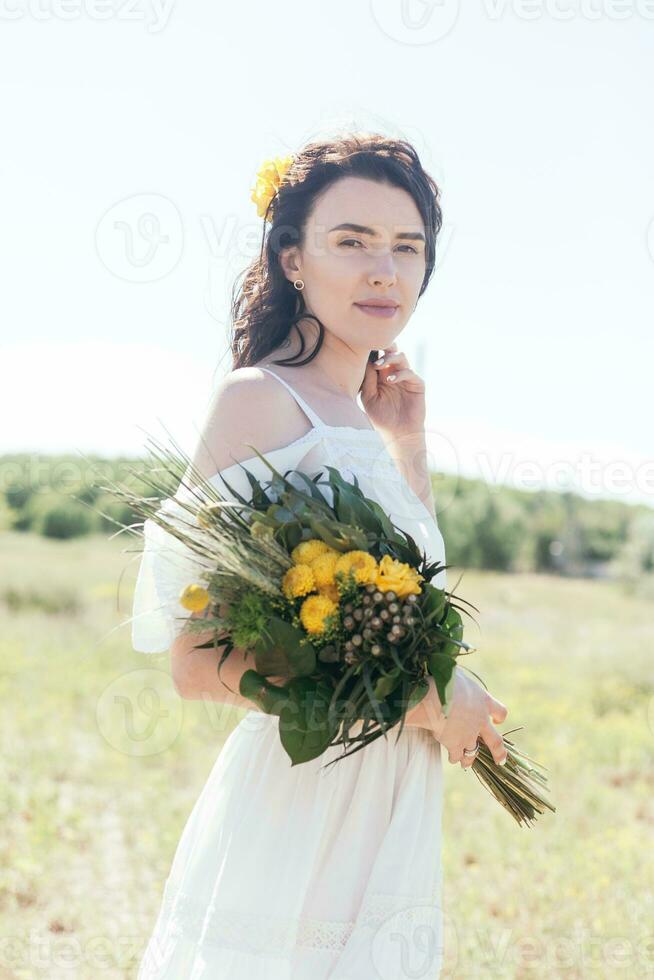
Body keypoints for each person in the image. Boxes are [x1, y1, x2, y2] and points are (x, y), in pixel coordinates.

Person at [131, 132, 509, 979]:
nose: (385, 271)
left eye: (407, 248)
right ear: (292, 257)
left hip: (389, 811)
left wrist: (406, 446)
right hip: (305, 814)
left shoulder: (367, 417)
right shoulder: (260, 401)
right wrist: (425, 698)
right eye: (353, 242)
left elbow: (414, 602)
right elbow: (198, 663)